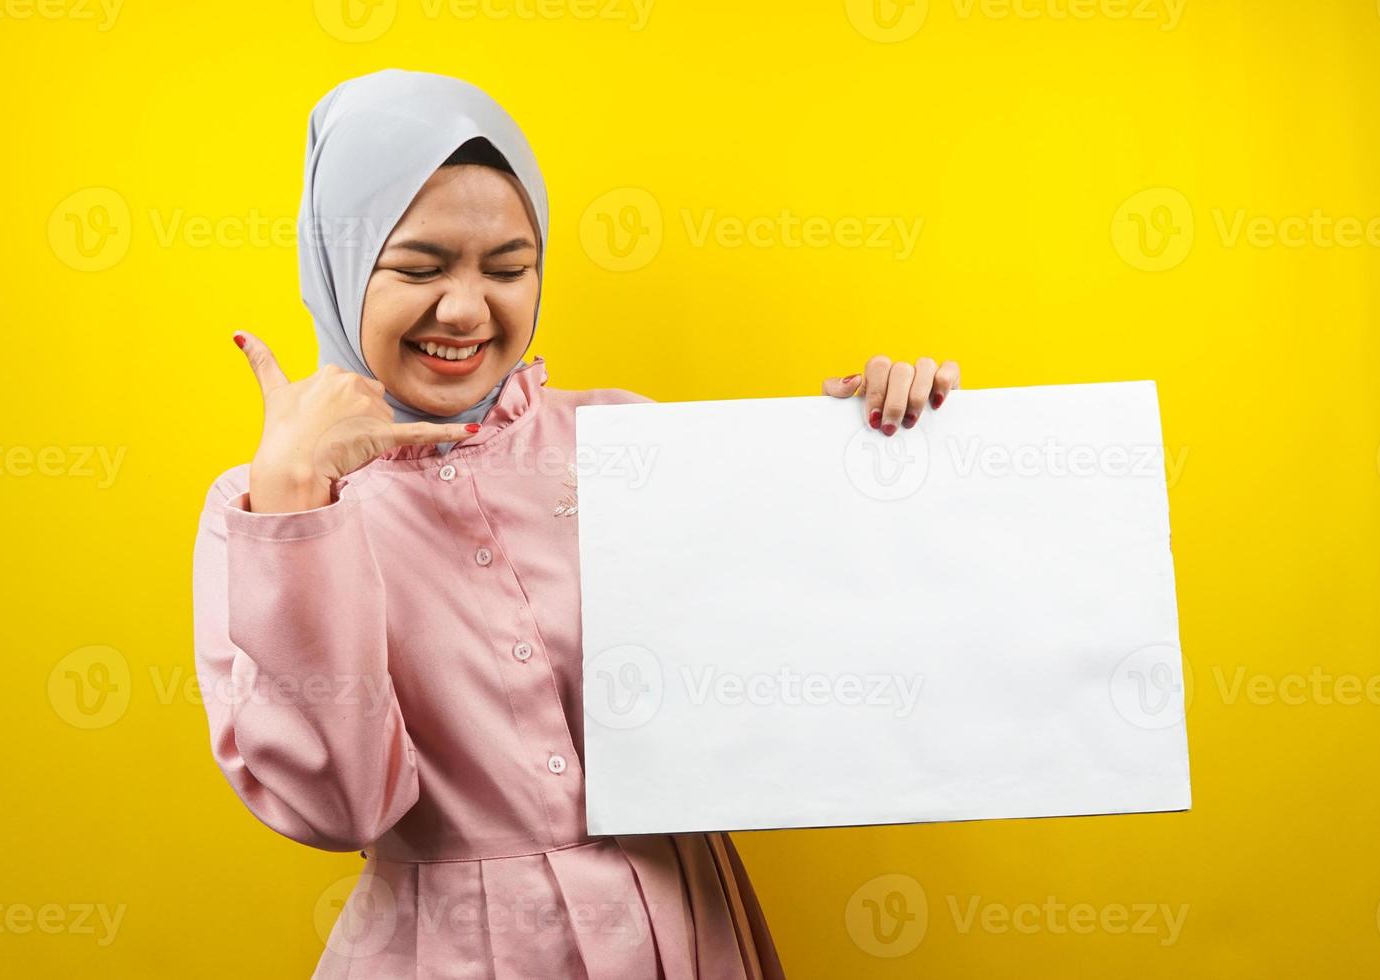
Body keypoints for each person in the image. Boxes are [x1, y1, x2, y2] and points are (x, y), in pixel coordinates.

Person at [192, 67, 959, 979]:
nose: (467, 310)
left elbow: (817, 648)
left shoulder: (629, 441)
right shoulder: (262, 509)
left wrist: (881, 448)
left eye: (509, 268)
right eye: (418, 267)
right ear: (338, 263)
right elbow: (338, 808)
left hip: (685, 936)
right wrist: (296, 500)